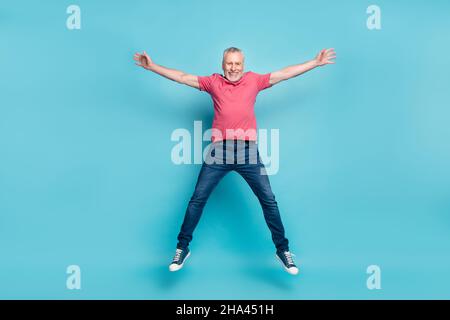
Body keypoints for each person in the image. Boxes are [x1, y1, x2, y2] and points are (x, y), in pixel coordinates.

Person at [134, 47, 336, 275]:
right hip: (218, 152)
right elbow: (182, 77)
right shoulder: (213, 83)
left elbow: (284, 73)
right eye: (229, 63)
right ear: (223, 65)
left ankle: (283, 250)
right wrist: (152, 67)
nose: (233, 68)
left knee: (269, 200)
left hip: (248, 153)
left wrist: (314, 63)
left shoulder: (254, 81)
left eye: (237, 63)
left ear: (243, 65)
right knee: (197, 199)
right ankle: (182, 248)